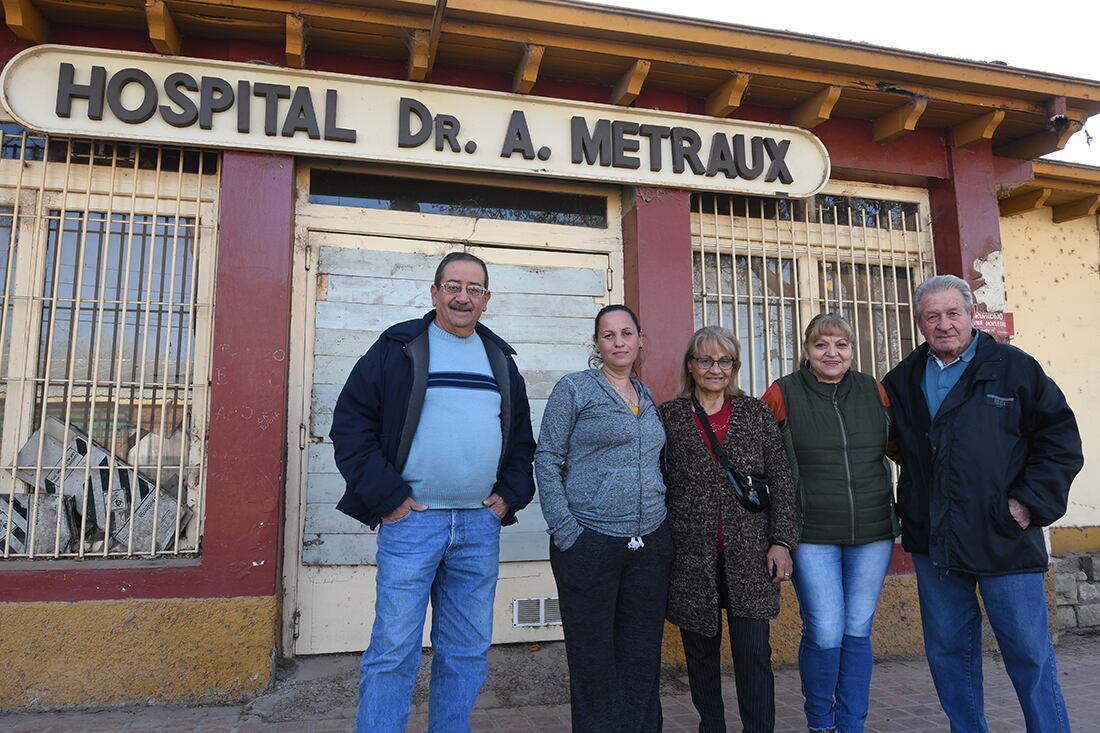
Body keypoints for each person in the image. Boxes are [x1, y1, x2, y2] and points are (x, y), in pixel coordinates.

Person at [329, 251, 536, 733]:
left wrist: (509, 495)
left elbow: (522, 439)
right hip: (412, 523)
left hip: (478, 527)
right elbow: (351, 425)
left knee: (465, 651)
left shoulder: (500, 360)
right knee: (394, 649)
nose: (463, 297)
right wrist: (389, 498)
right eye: (453, 286)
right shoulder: (398, 348)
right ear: (434, 292)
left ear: (486, 299)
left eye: (474, 289)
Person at [881, 274, 1083, 733]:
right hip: (937, 541)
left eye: (953, 313)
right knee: (949, 654)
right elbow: (898, 445)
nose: (944, 324)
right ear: (919, 323)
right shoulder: (903, 378)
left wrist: (1027, 504)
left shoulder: (1015, 369)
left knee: (1029, 654)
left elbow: (1060, 443)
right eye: (932, 316)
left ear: (971, 315)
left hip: (1004, 535)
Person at [535, 304, 673, 733]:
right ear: (596, 343)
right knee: (594, 658)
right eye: (608, 335)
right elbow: (547, 457)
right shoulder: (575, 389)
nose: (618, 342)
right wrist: (565, 529)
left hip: (649, 542)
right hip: (589, 541)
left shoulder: (646, 395)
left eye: (626, 333)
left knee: (641, 655)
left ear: (639, 340)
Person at [659, 325, 799, 733]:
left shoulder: (756, 414)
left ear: (735, 366)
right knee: (700, 655)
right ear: (691, 365)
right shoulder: (669, 417)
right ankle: (712, 727)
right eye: (705, 359)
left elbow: (782, 482)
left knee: (753, 654)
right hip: (691, 558)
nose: (715, 368)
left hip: (752, 556)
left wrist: (782, 542)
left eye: (724, 361)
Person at [761, 314, 897, 733]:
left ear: (852, 350)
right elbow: (761, 458)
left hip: (873, 531)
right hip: (811, 532)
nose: (832, 353)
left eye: (841, 345)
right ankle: (821, 723)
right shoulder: (783, 392)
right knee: (825, 630)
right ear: (806, 350)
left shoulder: (873, 390)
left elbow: (898, 446)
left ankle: (852, 724)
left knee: (857, 629)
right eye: (821, 345)